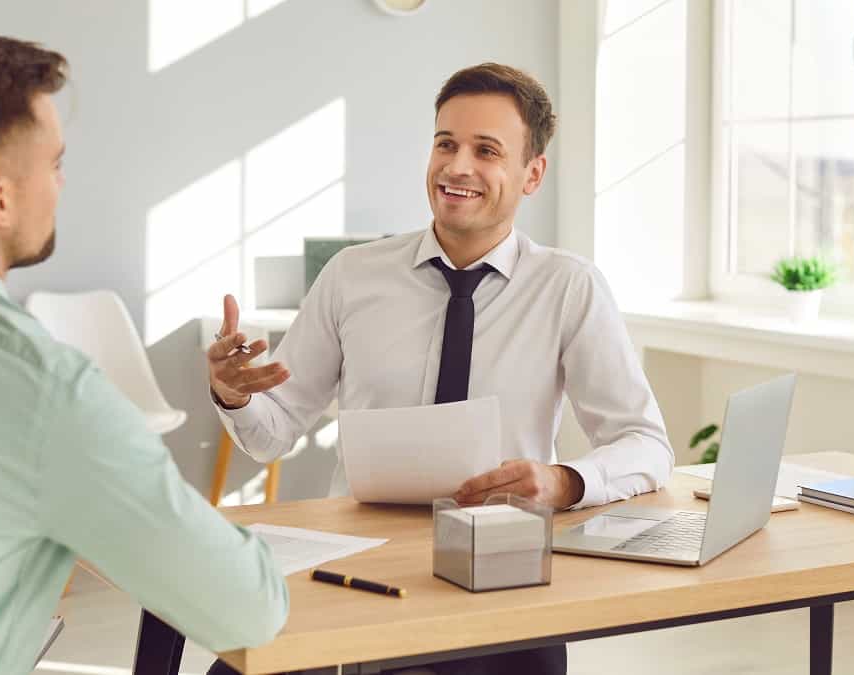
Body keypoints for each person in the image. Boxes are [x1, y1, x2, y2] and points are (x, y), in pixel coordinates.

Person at [0, 32, 287, 675]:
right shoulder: (42, 389)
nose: (63, 183)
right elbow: (248, 610)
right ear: (0, 198)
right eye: (55, 162)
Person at [207, 63, 674, 675]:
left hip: (502, 574)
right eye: (446, 144)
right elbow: (274, 430)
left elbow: (645, 444)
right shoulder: (353, 275)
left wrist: (562, 482)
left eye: (487, 151)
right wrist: (234, 396)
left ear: (532, 174)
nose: (458, 167)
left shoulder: (569, 287)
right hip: (357, 568)